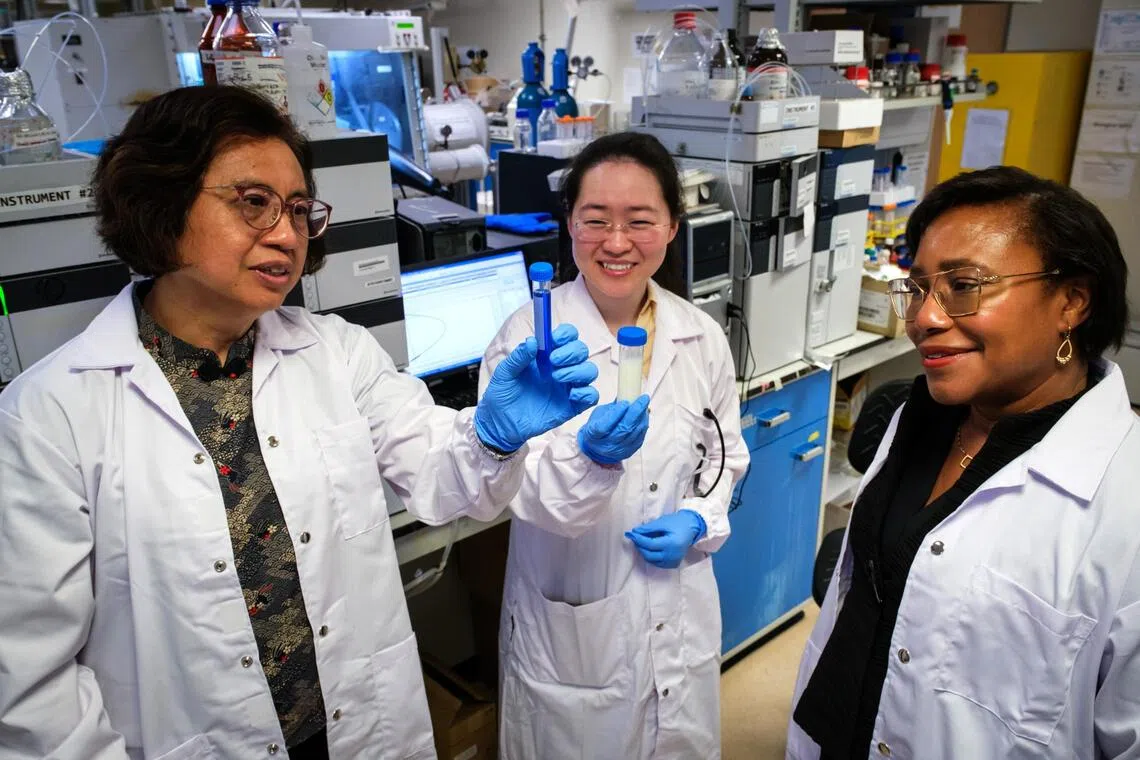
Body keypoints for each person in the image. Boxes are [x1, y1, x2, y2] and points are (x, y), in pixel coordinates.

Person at [0, 86, 628, 760]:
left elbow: (442, 480)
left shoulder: (338, 352)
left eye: (299, 210)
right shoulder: (49, 416)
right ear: (160, 203)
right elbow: (35, 688)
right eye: (252, 203)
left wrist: (492, 436)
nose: (285, 232)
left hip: (361, 730)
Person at [788, 167, 1139, 759]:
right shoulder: (920, 415)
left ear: (1072, 301)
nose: (925, 317)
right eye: (919, 287)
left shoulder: (1123, 503)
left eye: (965, 285)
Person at [480, 132, 750, 760]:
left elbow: (722, 454)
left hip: (678, 606)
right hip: (574, 620)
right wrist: (591, 462)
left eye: (640, 221)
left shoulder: (700, 334)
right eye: (596, 220)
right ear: (569, 224)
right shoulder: (530, 337)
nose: (618, 242)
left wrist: (699, 516)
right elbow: (512, 486)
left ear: (673, 228)